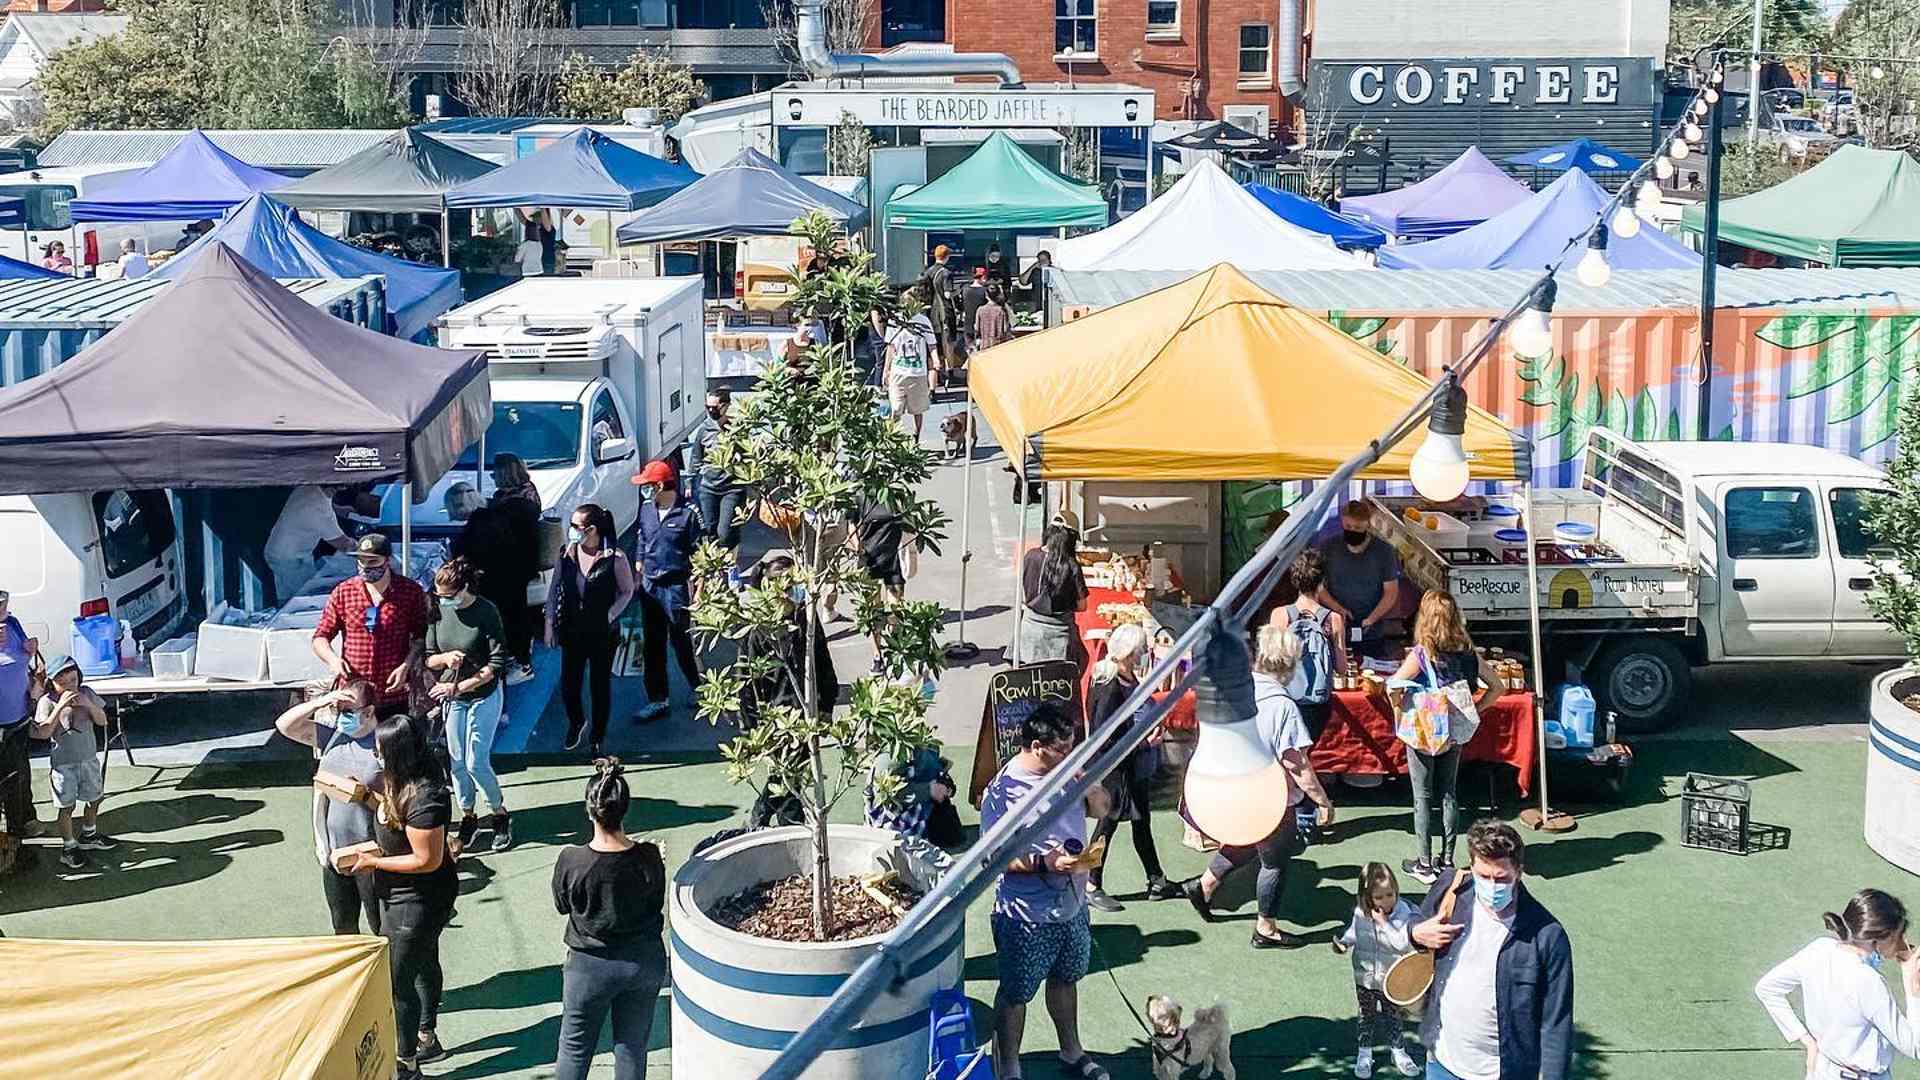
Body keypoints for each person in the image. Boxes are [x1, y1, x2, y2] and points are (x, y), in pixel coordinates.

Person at [981, 704, 1113, 1080]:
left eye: (1073, 745)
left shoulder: (1069, 773)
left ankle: (1072, 1051)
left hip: (1071, 906)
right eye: (1062, 748)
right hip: (1024, 916)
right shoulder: (1003, 791)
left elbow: (1103, 809)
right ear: (1038, 746)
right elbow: (991, 857)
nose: (1069, 753)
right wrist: (1045, 863)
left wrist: (1089, 783)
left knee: (1066, 979)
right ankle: (1009, 1068)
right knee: (1016, 993)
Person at [1182, 625, 1335, 950]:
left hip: (1226, 787)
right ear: (1290, 665)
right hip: (1268, 796)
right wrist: (1322, 801)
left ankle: (1205, 885)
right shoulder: (1283, 707)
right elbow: (1297, 765)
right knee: (1275, 860)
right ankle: (1266, 928)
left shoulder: (1234, 689)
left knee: (1249, 839)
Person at [1410, 819, 1573, 1080]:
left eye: (1501, 878)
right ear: (1471, 866)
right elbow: (1415, 923)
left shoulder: (1547, 936)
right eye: (1483, 876)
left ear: (1518, 872)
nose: (1492, 886)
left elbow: (1556, 1023)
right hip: (1442, 1063)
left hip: (1503, 1073)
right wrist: (1415, 932)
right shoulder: (1451, 890)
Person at [345, 716, 459, 1078]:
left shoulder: (427, 796)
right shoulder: (398, 781)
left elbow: (427, 860)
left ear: (397, 753)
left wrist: (374, 861)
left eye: (380, 750)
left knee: (399, 983)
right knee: (423, 962)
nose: (374, 755)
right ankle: (428, 1037)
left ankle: (408, 1062)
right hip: (396, 895)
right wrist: (364, 796)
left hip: (418, 902)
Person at [552, 758, 668, 1080]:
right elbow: (655, 902)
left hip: (589, 967)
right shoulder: (648, 856)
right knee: (631, 1048)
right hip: (643, 961)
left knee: (574, 1049)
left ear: (590, 810)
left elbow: (562, 905)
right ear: (625, 809)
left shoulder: (571, 860)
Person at [1386, 592, 1505, 886]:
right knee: (1449, 791)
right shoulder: (1467, 651)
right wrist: (1473, 709)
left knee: (1422, 796)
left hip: (1424, 731)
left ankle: (1424, 864)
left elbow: (1393, 686)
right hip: (1453, 731)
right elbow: (1497, 687)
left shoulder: (1421, 654)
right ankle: (1448, 859)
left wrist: (1399, 709)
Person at [1756, 888, 1920, 1080]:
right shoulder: (1869, 982)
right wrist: (1913, 989)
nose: (1903, 942)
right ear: (1880, 938)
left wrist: (1807, 1040)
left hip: (1822, 1071)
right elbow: (1915, 1047)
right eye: (1899, 935)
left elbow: (1766, 988)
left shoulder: (1818, 949)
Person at [1084, 623, 1181, 913]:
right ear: (1129, 652)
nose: (1144, 654)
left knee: (1141, 821)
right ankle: (1090, 882)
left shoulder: (1121, 676)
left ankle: (1156, 878)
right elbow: (1103, 736)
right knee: (1107, 824)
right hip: (1116, 767)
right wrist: (1141, 742)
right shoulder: (1110, 685)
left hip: (1130, 764)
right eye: (1140, 650)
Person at [276, 681, 384, 935]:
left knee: (380, 925)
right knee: (342, 924)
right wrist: (320, 702)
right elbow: (284, 726)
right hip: (336, 853)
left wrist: (367, 795)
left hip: (372, 854)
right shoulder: (333, 736)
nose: (341, 717)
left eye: (348, 711)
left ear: (368, 712)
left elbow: (397, 802)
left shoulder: (383, 746)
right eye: (338, 710)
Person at [741, 553, 838, 828]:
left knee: (791, 775)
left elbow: (822, 660)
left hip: (805, 712)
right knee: (788, 777)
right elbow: (747, 679)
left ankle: (766, 816)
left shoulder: (804, 618)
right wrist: (750, 727)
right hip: (775, 718)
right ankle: (781, 823)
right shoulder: (758, 627)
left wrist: (826, 706)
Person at [426, 557, 513, 855]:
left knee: (476, 761)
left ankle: (499, 813)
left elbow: (497, 662)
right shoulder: (437, 609)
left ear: (464, 589)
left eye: (449, 596)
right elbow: (430, 656)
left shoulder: (486, 611)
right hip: (454, 698)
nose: (443, 601)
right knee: (457, 762)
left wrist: (459, 686)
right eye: (440, 596)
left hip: (483, 694)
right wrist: (446, 658)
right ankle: (468, 815)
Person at [311, 534, 430, 720]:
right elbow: (320, 637)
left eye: (373, 561)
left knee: (393, 745)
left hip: (393, 690)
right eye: (361, 561)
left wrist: (406, 666)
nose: (366, 567)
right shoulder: (343, 592)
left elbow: (421, 636)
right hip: (354, 693)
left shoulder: (410, 591)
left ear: (387, 561)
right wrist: (333, 660)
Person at [547, 503, 634, 755]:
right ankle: (577, 721)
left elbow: (627, 591)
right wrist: (549, 624)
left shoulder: (614, 558)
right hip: (572, 630)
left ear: (592, 530)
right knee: (569, 684)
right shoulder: (567, 553)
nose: (571, 531)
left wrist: (609, 614)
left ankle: (598, 735)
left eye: (576, 526)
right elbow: (555, 590)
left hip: (602, 633)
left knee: (599, 685)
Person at [1332, 862, 1422, 1078]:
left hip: (1392, 979)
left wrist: (1383, 924)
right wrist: (1344, 943)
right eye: (1379, 897)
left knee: (1394, 1016)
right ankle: (1364, 1053)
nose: (1386, 901)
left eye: (1390, 894)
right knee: (1366, 1016)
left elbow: (1402, 943)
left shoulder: (1403, 914)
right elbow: (1355, 932)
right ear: (1367, 896)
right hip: (1365, 976)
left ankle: (1398, 1051)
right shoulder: (1361, 913)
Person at [447, 482, 537, 687]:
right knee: (516, 620)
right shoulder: (494, 515)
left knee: (507, 625)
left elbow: (466, 558)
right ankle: (521, 661)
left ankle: (518, 664)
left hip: (498, 584)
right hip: (513, 577)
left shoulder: (475, 529)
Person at [632, 460, 701, 721]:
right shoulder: (647, 510)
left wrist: (699, 591)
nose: (645, 491)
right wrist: (639, 564)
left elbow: (699, 555)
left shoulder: (688, 515)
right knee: (653, 645)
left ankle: (698, 687)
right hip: (650, 586)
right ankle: (657, 699)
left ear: (660, 485)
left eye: (648, 486)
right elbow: (642, 537)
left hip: (675, 587)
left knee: (681, 641)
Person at [31, 657, 116, 871]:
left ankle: (89, 833)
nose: (71, 686)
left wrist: (87, 703)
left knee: (95, 798)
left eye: (74, 679)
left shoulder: (87, 693)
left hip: (88, 759)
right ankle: (68, 847)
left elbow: (102, 720)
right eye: (64, 682)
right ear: (52, 682)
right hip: (63, 765)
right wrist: (60, 706)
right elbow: (42, 732)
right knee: (66, 806)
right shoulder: (46, 701)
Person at [1276, 548, 1348, 743]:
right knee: (1309, 753)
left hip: (1288, 699)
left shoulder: (1280, 615)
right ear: (1322, 582)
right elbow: (1342, 668)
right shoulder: (1334, 619)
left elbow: (1272, 664)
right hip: (1319, 704)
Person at [1319, 501, 1403, 661]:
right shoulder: (1329, 548)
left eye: (1358, 528)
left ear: (1368, 525)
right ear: (1342, 522)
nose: (1352, 531)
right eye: (1348, 527)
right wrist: (1338, 610)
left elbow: (1391, 592)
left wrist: (1372, 618)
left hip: (1372, 632)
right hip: (1335, 629)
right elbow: (1319, 587)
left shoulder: (1384, 551)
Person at [686, 389, 746, 577]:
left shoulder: (737, 428)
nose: (710, 411)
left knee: (725, 532)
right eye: (707, 407)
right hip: (709, 488)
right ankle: (717, 571)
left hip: (732, 488)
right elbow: (696, 457)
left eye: (714, 407)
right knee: (710, 531)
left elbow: (750, 455)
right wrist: (690, 482)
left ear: (726, 406)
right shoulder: (705, 430)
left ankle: (732, 569)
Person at [265, 485, 353, 605]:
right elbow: (344, 544)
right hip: (290, 559)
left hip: (278, 549)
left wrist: (338, 510)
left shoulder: (308, 488)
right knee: (306, 598)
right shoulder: (320, 513)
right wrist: (371, 547)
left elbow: (318, 502)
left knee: (287, 593)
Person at [0, 589, 42, 839]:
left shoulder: (12, 623)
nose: (2, 606)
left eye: (3, 600)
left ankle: (25, 821)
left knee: (20, 773)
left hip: (19, 714)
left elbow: (23, 658)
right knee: (7, 778)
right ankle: (13, 835)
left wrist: (30, 647)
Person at [1017, 520, 1088, 665]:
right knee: (1070, 670)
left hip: (1030, 628)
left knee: (1031, 676)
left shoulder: (1030, 556)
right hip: (1060, 635)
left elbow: (1024, 587)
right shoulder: (1071, 565)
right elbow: (1082, 606)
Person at [885, 304, 936, 442]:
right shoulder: (894, 321)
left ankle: (916, 434)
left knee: (917, 409)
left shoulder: (923, 321)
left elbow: (932, 343)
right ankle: (893, 436)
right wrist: (886, 370)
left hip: (917, 373)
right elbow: (890, 347)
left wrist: (936, 359)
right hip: (898, 372)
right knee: (896, 408)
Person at [919, 244, 960, 367]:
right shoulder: (946, 273)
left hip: (931, 311)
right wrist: (958, 291)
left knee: (933, 341)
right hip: (945, 311)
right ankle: (949, 371)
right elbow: (947, 295)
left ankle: (936, 370)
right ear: (947, 257)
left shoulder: (927, 272)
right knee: (948, 341)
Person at [974, 282, 1014, 352]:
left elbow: (977, 329)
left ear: (986, 295)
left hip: (984, 346)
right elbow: (1005, 330)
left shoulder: (980, 310)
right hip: (998, 347)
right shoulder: (1001, 311)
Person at [520, 208, 559, 274]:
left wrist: (543, 207)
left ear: (541, 218)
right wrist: (515, 207)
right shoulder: (534, 229)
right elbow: (522, 219)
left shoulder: (549, 230)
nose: (533, 220)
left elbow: (546, 222)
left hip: (546, 264)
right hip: (535, 266)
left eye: (536, 217)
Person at [961, 266, 991, 350]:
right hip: (981, 325)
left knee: (969, 349)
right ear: (983, 277)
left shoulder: (965, 290)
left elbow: (960, 305)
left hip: (968, 324)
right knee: (981, 349)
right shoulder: (985, 291)